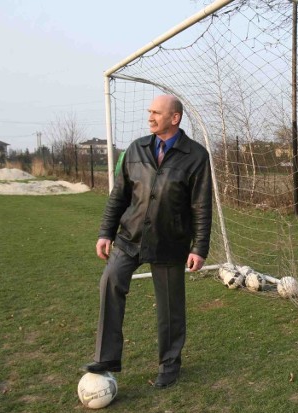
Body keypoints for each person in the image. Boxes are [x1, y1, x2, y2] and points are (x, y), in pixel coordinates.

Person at [84, 94, 212, 389]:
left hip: (170, 241)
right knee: (110, 282)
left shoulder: (196, 155)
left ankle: (169, 364)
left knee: (170, 306)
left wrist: (199, 247)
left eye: (156, 112)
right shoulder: (135, 149)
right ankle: (106, 357)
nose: (150, 116)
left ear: (174, 118)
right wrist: (105, 232)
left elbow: (201, 207)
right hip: (129, 237)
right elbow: (118, 197)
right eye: (149, 111)